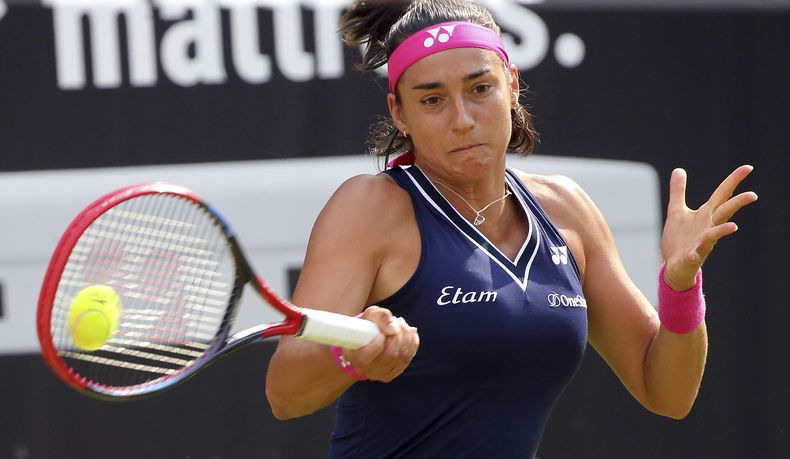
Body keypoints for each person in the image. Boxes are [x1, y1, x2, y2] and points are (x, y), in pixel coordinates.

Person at [265, 0, 758, 457]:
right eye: (432, 100)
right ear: (400, 113)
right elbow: (284, 394)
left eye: (480, 89)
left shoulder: (566, 209)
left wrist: (678, 284)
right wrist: (353, 358)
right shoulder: (370, 208)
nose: (462, 120)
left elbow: (666, 392)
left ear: (512, 85)